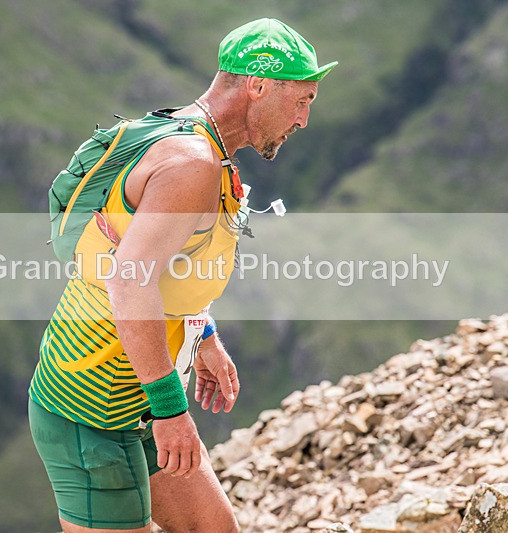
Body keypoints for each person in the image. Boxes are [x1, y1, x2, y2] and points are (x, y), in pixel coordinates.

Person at [28, 17, 336, 533]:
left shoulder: (187, 137)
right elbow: (129, 279)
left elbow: (171, 262)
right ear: (259, 86)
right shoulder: (193, 165)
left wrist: (203, 333)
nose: (304, 120)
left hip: (139, 402)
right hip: (91, 413)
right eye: (302, 100)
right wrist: (173, 413)